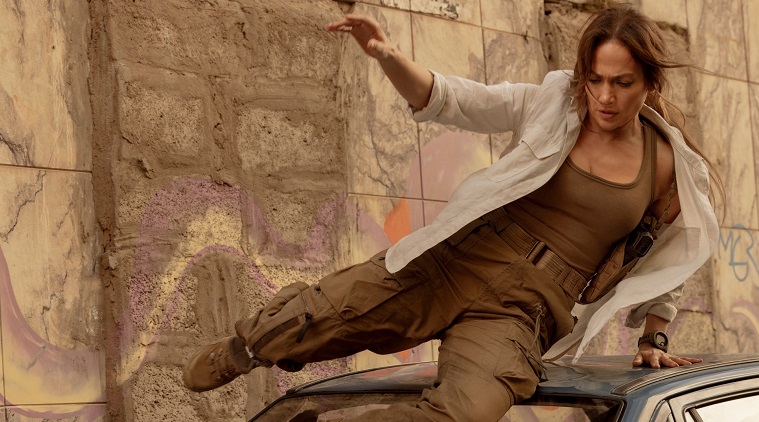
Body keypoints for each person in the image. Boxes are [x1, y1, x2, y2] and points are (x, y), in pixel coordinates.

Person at [182, 3, 721, 421]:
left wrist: (653, 337)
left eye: (622, 83)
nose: (604, 96)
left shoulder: (667, 166)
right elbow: (454, 99)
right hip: (453, 260)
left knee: (468, 411)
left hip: (525, 309)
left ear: (650, 83)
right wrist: (388, 56)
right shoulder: (555, 101)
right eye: (595, 79)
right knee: (318, 315)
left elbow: (671, 258)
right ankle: (247, 347)